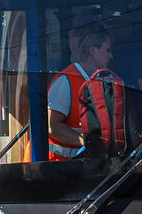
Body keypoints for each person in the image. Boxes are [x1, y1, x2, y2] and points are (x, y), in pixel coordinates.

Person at [46, 24, 114, 161]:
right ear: (92, 50)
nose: (111, 56)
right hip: (59, 165)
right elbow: (52, 127)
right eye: (107, 50)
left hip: (84, 165)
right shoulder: (65, 81)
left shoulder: (99, 80)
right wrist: (87, 142)